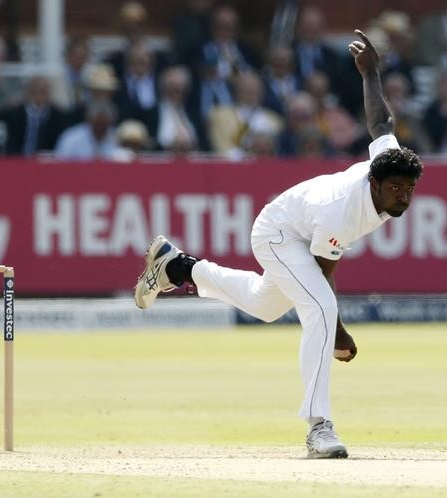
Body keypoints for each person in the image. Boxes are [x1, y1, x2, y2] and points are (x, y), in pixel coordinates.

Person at [133, 30, 424, 459]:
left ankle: (178, 267)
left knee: (266, 305)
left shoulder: (388, 160)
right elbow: (324, 277)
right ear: (375, 182)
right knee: (321, 310)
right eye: (396, 190)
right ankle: (319, 426)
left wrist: (371, 73)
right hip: (279, 233)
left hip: (299, 229)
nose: (403, 197)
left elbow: (381, 123)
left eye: (409, 191)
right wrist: (339, 333)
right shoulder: (341, 210)